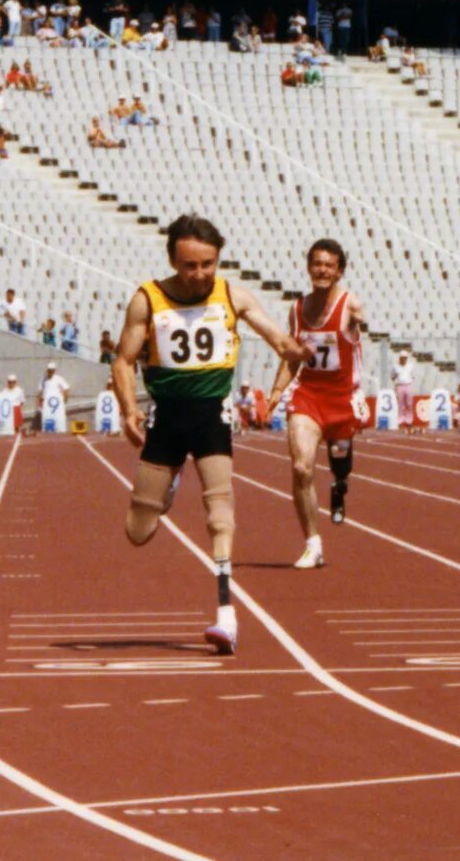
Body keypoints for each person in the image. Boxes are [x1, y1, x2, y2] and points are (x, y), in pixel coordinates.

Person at [113, 214, 300, 655]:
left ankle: (225, 615)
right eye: (189, 265)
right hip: (166, 418)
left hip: (212, 414)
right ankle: (169, 482)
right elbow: (123, 360)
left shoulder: (233, 296)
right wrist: (128, 410)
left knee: (220, 509)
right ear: (173, 261)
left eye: (208, 264)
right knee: (138, 529)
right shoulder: (148, 299)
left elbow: (284, 346)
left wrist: (277, 384)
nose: (199, 275)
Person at [276, 239, 371, 566]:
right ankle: (313, 544)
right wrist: (275, 394)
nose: (322, 270)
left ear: (339, 271)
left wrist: (358, 322)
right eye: (317, 264)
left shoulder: (349, 304)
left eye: (329, 265)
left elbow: (358, 326)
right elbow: (291, 358)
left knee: (339, 462)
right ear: (308, 267)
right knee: (301, 467)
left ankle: (340, 483)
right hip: (308, 397)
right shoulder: (297, 309)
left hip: (342, 399)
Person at [38, 362, 71, 437]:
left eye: (52, 370)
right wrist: (40, 403)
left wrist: (65, 399)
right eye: (49, 370)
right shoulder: (44, 380)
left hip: (57, 404)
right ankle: (48, 431)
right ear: (47, 370)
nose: (51, 372)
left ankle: (60, 431)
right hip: (47, 404)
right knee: (47, 418)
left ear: (55, 370)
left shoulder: (59, 379)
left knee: (58, 418)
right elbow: (40, 391)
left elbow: (67, 388)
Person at [391, 348, 416, 431]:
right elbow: (392, 376)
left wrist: (409, 381)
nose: (403, 359)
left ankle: (409, 421)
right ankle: (400, 420)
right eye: (402, 357)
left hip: (408, 385)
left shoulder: (410, 366)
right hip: (399, 385)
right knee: (400, 403)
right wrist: (397, 382)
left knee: (409, 403)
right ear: (399, 358)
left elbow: (413, 376)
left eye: (405, 358)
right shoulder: (395, 366)